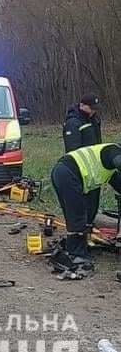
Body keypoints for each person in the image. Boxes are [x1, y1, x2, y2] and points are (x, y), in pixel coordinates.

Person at [50, 143, 121, 266]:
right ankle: (76, 255)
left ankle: (78, 247)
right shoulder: (112, 150)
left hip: (64, 172)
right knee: (77, 215)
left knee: (84, 214)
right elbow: (118, 161)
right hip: (68, 172)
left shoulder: (110, 170)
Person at [62, 93, 102, 234]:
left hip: (95, 168)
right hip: (81, 170)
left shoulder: (94, 120)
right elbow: (73, 150)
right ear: (82, 105)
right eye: (91, 108)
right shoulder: (73, 123)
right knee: (82, 203)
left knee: (93, 201)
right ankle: (79, 232)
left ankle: (89, 227)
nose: (94, 111)